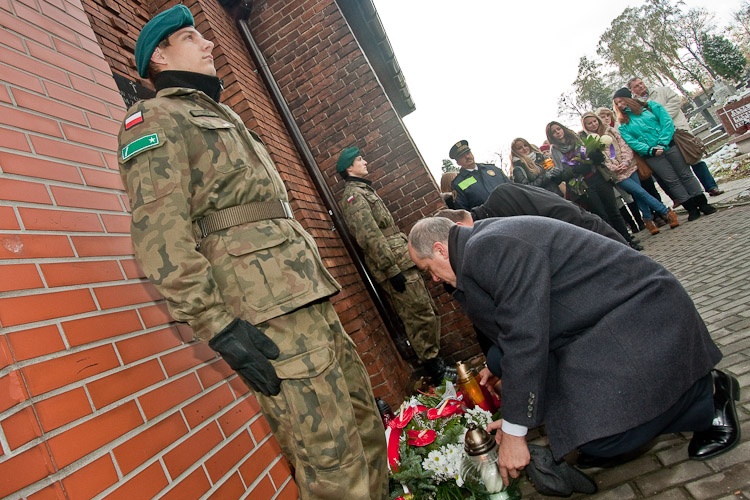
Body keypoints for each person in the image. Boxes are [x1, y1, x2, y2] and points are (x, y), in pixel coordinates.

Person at [117, 7, 388, 498]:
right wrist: (217, 325)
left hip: (304, 294)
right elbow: (160, 237)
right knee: (330, 457)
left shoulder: (225, 114)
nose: (209, 44)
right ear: (159, 56)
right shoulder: (155, 118)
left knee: (365, 426)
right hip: (266, 314)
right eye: (190, 37)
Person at [407, 216, 740, 491]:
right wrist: (512, 402)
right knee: (504, 366)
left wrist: (514, 430)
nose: (433, 279)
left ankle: (707, 396)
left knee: (604, 441)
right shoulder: (477, 248)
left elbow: (525, 338)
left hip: (642, 313)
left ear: (440, 249)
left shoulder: (488, 247)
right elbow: (513, 330)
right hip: (599, 321)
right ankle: (612, 424)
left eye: (428, 269)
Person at [336, 147, 456, 384]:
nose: (365, 161)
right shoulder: (354, 196)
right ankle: (435, 370)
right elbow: (369, 236)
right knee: (418, 315)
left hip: (401, 260)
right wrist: (390, 269)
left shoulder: (364, 190)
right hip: (393, 265)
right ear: (349, 167)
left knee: (426, 311)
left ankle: (437, 363)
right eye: (360, 159)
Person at [613, 88, 717, 221]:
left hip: (669, 146)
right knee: (671, 180)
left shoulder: (650, 107)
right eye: (617, 104)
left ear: (629, 98)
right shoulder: (623, 123)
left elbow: (666, 122)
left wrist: (662, 143)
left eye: (621, 101)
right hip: (651, 155)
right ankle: (690, 207)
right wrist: (650, 150)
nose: (620, 105)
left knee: (685, 174)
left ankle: (702, 203)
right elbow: (632, 142)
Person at [545, 121, 642, 250]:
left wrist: (594, 156)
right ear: (551, 136)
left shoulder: (577, 139)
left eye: (558, 129)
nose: (558, 132)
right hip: (583, 185)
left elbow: (595, 155)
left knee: (614, 211)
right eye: (554, 132)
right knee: (602, 215)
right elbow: (562, 171)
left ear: (563, 128)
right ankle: (618, 245)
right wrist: (575, 169)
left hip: (597, 177)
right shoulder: (555, 150)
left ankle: (628, 240)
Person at [581, 112, 679, 235]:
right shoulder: (588, 141)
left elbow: (624, 145)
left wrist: (626, 162)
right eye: (589, 123)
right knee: (640, 192)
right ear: (585, 126)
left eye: (594, 121)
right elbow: (600, 160)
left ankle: (648, 220)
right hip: (616, 173)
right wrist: (614, 167)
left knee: (638, 194)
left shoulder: (610, 130)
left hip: (629, 166)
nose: (593, 124)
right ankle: (666, 211)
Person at [628, 77, 725, 197]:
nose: (641, 86)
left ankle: (711, 186)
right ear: (632, 90)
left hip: (678, 132)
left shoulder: (663, 91)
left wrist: (661, 117)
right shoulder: (634, 105)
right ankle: (693, 195)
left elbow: (675, 103)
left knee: (694, 158)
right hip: (660, 138)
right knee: (678, 169)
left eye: (641, 83)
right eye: (636, 86)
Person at [448, 140, 510, 211]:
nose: (467, 157)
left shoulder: (493, 169)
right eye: (462, 156)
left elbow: (511, 188)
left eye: (468, 153)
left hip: (511, 210)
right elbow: (463, 210)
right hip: (488, 216)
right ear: (458, 162)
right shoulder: (458, 183)